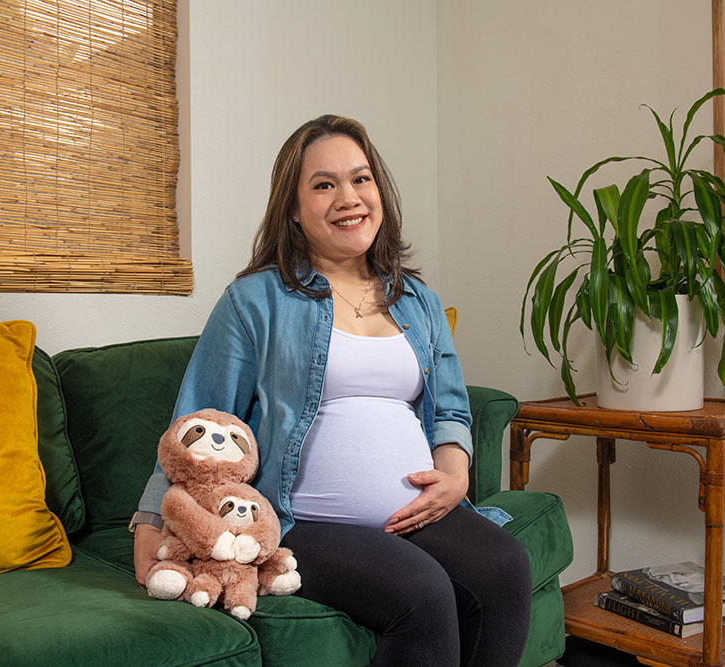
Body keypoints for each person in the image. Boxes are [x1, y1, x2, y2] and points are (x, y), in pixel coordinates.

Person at [132, 114, 532, 666]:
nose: (349, 197)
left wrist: (455, 472)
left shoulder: (417, 300)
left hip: (418, 511)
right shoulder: (255, 301)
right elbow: (201, 421)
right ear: (294, 210)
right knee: (421, 593)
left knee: (504, 568)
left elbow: (452, 407)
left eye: (360, 179)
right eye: (324, 185)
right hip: (306, 523)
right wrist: (153, 520)